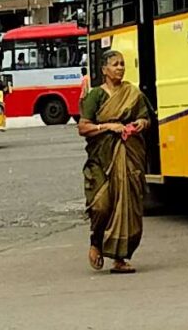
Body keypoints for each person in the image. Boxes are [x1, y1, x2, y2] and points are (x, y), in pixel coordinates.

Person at [77, 50, 152, 274]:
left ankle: (120, 258)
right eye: (115, 64)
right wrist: (108, 127)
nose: (120, 68)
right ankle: (96, 242)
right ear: (104, 70)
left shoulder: (132, 93)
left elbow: (146, 118)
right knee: (102, 205)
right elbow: (83, 127)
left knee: (127, 205)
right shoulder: (96, 96)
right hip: (101, 159)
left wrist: (140, 124)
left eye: (122, 64)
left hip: (128, 157)